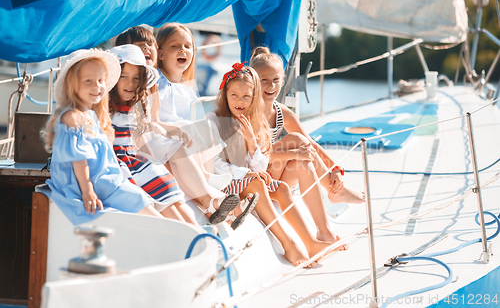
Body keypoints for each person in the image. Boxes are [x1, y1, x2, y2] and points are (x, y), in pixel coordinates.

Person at [207, 63, 347, 267]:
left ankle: (310, 243)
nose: (240, 101)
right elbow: (214, 163)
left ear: (254, 98)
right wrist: (245, 174)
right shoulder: (214, 120)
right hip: (227, 181)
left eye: (246, 97)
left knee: (281, 188)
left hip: (248, 179)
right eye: (234, 95)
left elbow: (260, 164)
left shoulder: (253, 121)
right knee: (257, 184)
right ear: (225, 94)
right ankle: (289, 246)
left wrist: (251, 143)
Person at [109, 45, 257, 229]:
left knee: (178, 159)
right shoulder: (106, 110)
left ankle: (212, 208)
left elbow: (147, 126)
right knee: (170, 198)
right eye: (124, 76)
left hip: (137, 154)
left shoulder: (133, 106)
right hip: (126, 160)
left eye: (135, 78)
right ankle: (210, 208)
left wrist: (172, 131)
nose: (130, 83)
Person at [42, 48, 164, 225]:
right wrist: (87, 190)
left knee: (139, 196)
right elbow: (79, 159)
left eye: (100, 81)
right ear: (72, 84)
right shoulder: (72, 117)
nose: (97, 86)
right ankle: (175, 234)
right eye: (88, 81)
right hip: (92, 184)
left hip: (106, 181)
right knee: (137, 199)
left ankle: (174, 232)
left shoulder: (90, 115)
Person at [249, 47, 365, 223]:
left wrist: (335, 170)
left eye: (276, 80)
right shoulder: (249, 113)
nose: (271, 86)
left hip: (276, 181)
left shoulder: (282, 113)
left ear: (283, 80)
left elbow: (311, 144)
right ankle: (335, 192)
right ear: (253, 81)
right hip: (257, 179)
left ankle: (333, 193)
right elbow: (255, 156)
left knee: (302, 152)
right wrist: (295, 153)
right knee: (296, 141)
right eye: (264, 80)